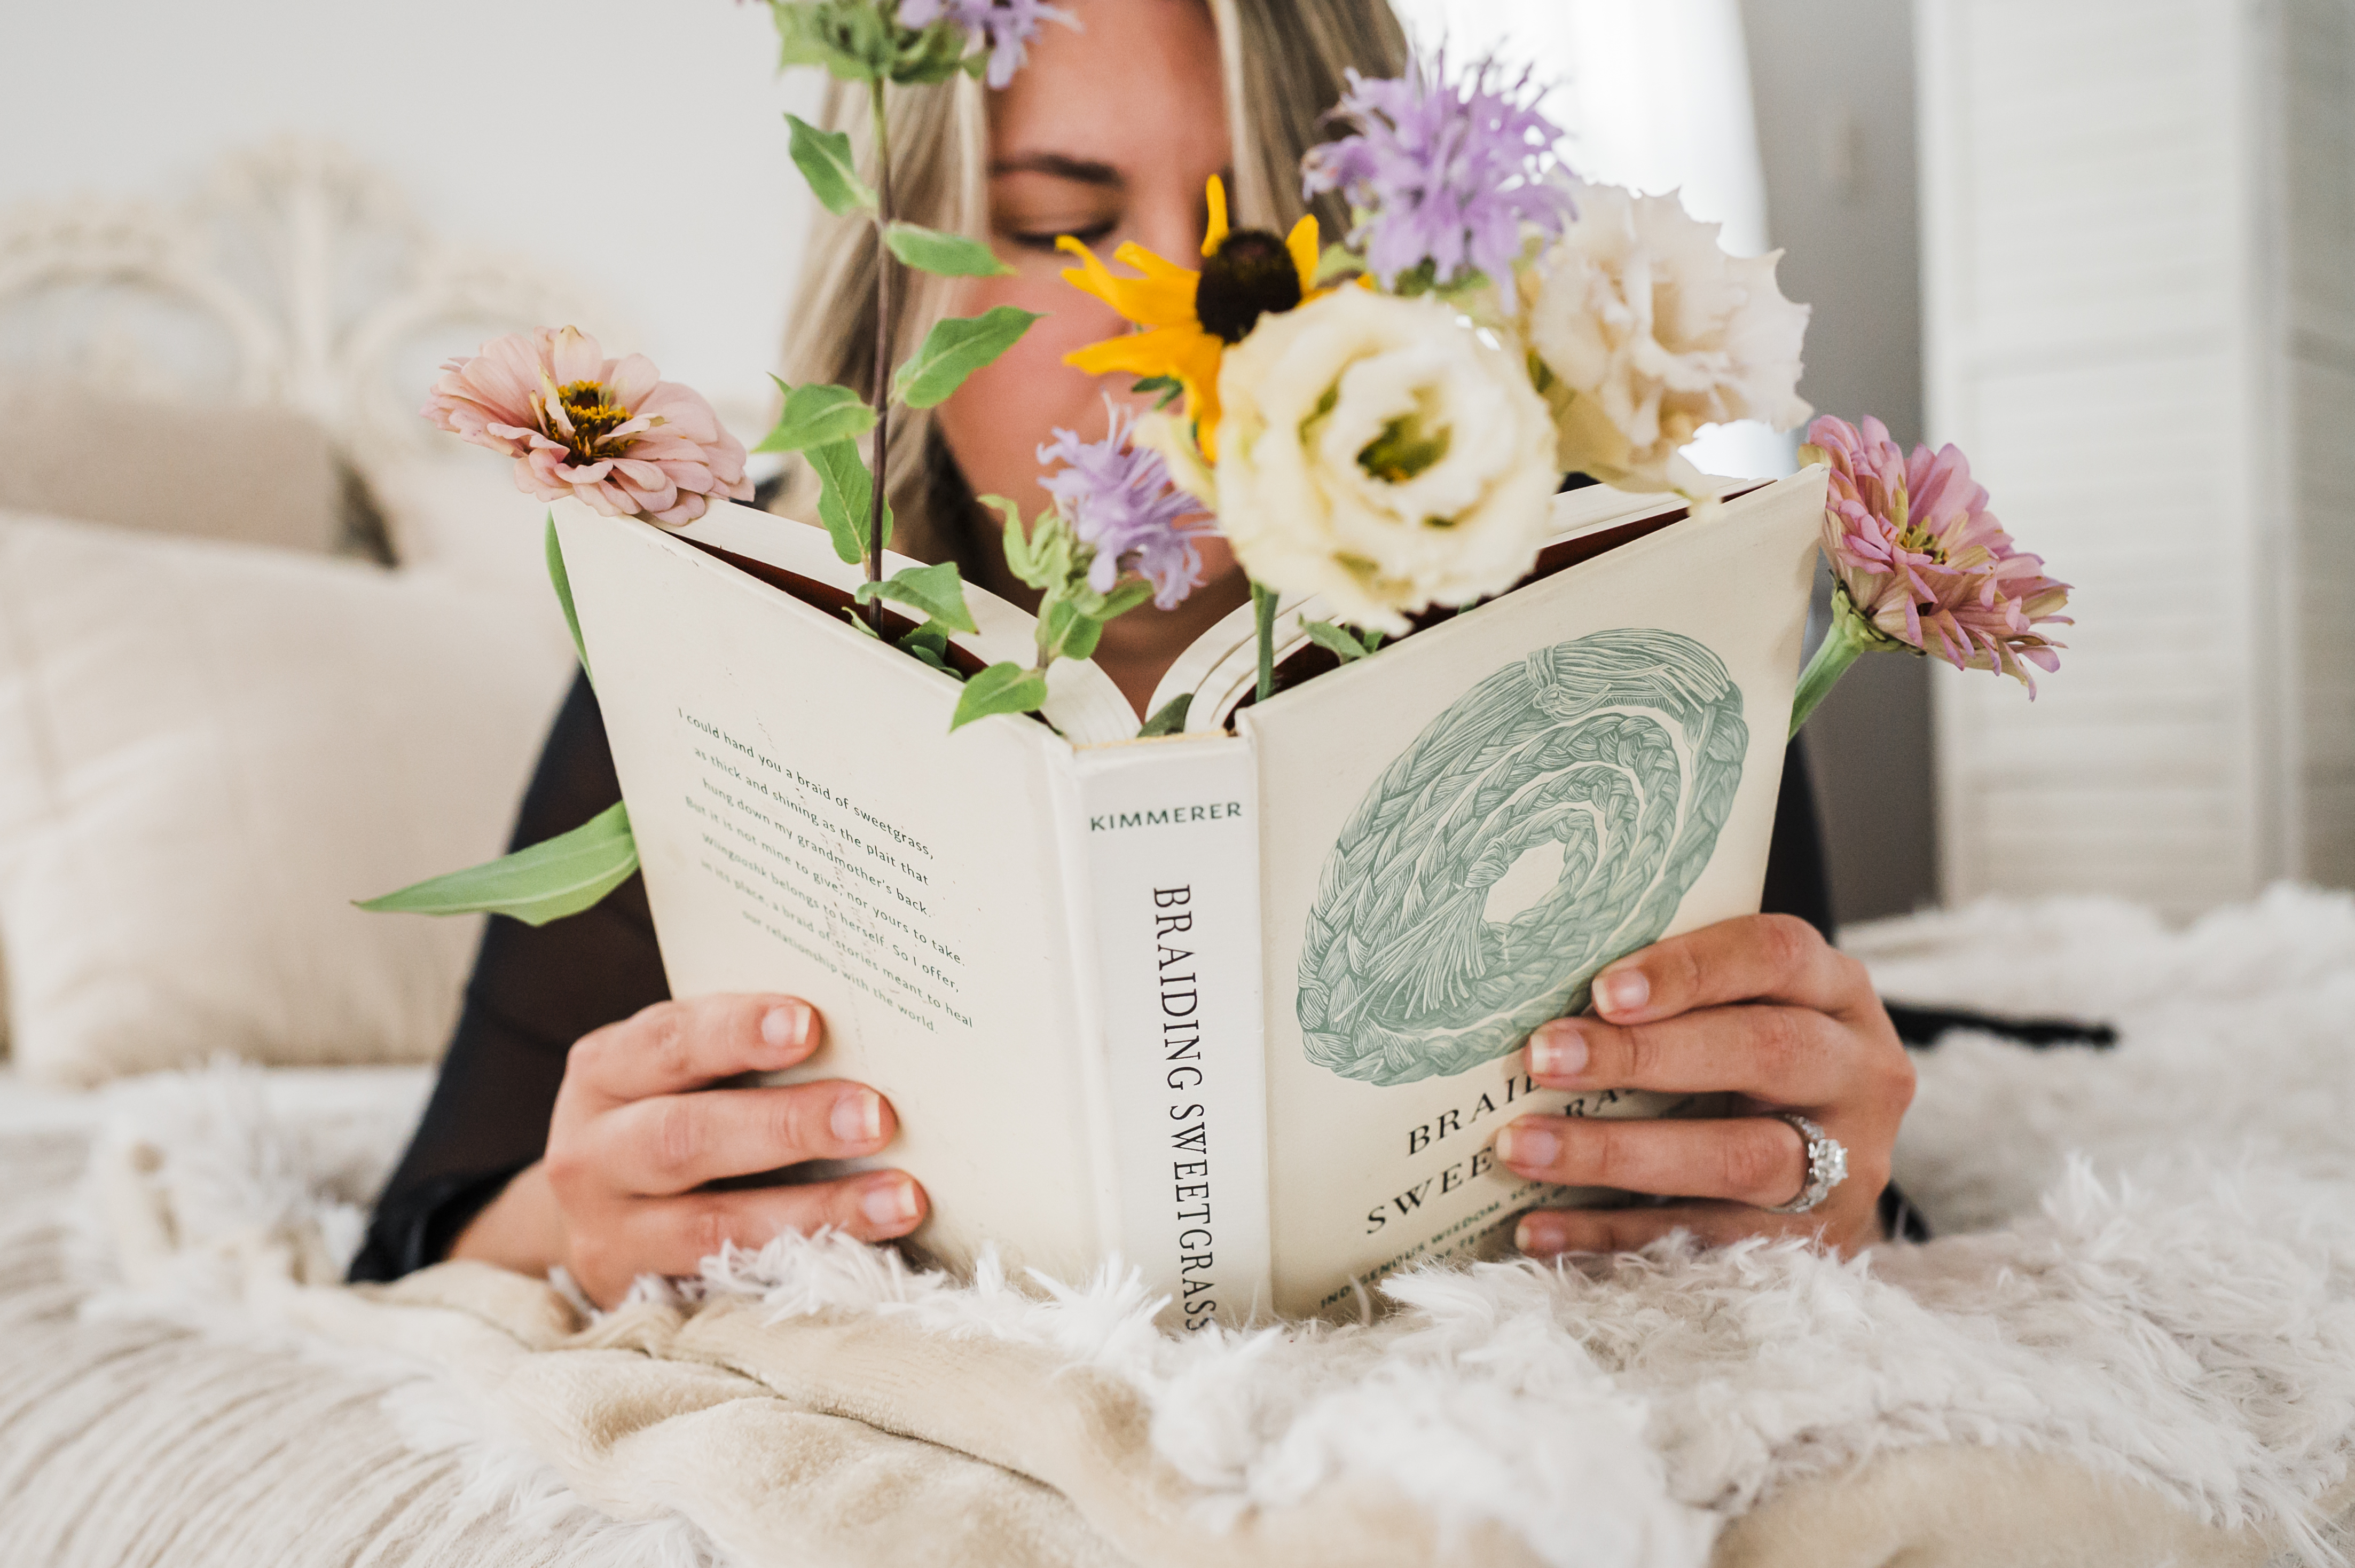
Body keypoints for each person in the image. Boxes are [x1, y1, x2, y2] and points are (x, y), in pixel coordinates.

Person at [351, 0, 1920, 1306]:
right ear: (899, 271)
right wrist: (586, 1219)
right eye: (1063, 224)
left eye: (1269, 239)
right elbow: (429, 1234)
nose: (1194, 332)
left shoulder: (1606, 606)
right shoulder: (738, 626)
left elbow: (1821, 1167)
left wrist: (1828, 1171)